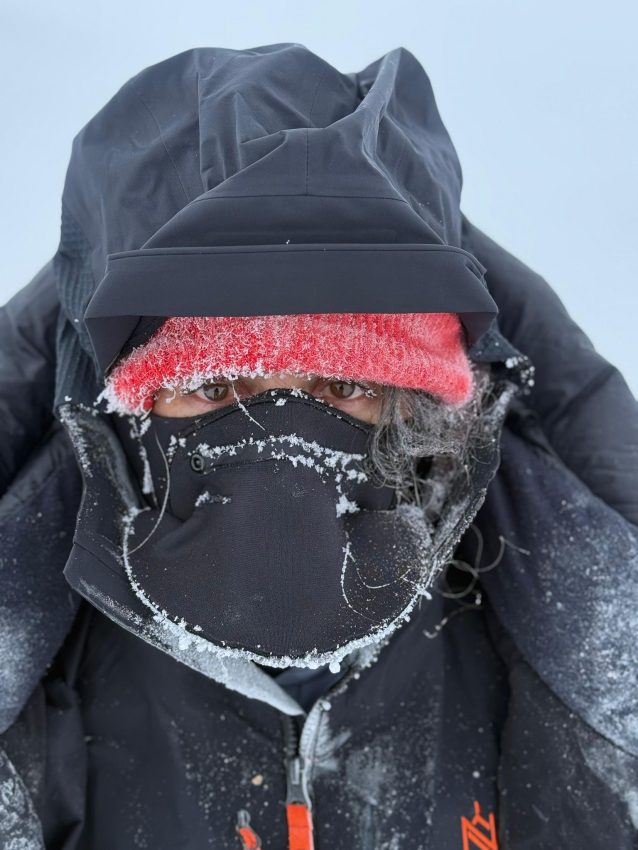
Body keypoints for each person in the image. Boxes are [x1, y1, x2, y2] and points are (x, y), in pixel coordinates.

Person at [0, 43, 636, 850]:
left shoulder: (561, 634)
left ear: (423, 407)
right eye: (218, 388)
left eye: (346, 388)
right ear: (129, 409)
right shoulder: (40, 669)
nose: (284, 452)